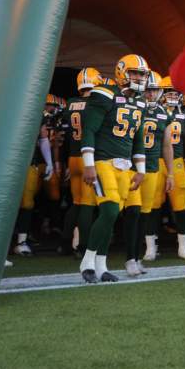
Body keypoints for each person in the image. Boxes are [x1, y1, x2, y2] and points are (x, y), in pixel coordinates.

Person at [78, 55, 150, 283]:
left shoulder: (140, 102)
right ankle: (87, 261)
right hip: (101, 162)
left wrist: (141, 168)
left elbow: (138, 137)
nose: (138, 77)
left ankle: (101, 266)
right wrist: (88, 164)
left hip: (124, 165)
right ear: (121, 72)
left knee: (112, 216)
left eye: (142, 74)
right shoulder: (104, 94)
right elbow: (89, 130)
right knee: (109, 211)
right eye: (134, 72)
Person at [124, 71, 168, 275]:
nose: (150, 94)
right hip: (132, 167)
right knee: (131, 213)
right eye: (148, 90)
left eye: (154, 90)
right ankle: (128, 257)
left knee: (144, 215)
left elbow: (167, 145)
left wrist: (172, 174)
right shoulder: (134, 106)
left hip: (152, 168)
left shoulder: (162, 112)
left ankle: (136, 257)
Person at [60, 68, 101, 256]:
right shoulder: (95, 103)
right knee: (87, 204)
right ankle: (84, 246)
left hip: (73, 157)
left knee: (76, 203)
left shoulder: (70, 104)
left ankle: (65, 243)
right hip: (87, 158)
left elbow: (67, 136)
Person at [161, 77, 185, 261]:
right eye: (169, 92)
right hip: (155, 161)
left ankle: (183, 245)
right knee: (150, 206)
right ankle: (150, 245)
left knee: (182, 205)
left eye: (175, 93)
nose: (173, 96)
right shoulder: (152, 110)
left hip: (176, 162)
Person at [14, 95, 57, 256]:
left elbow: (43, 138)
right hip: (7, 162)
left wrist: (50, 162)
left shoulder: (36, 114)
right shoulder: (3, 109)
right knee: (3, 203)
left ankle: (21, 241)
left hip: (29, 161)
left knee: (27, 203)